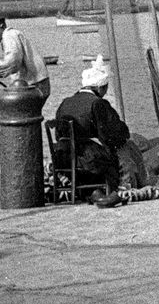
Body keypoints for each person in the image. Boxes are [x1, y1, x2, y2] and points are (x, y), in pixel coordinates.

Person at [52, 55, 142, 206]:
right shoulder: (97, 103)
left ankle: (95, 190)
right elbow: (113, 135)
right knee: (124, 146)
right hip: (89, 159)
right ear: (100, 87)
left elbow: (58, 134)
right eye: (105, 88)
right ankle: (124, 186)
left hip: (63, 157)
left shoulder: (65, 102)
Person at [0, 16, 51, 109]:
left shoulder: (8, 36)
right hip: (38, 82)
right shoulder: (14, 34)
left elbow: (13, 60)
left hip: (34, 84)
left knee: (23, 115)